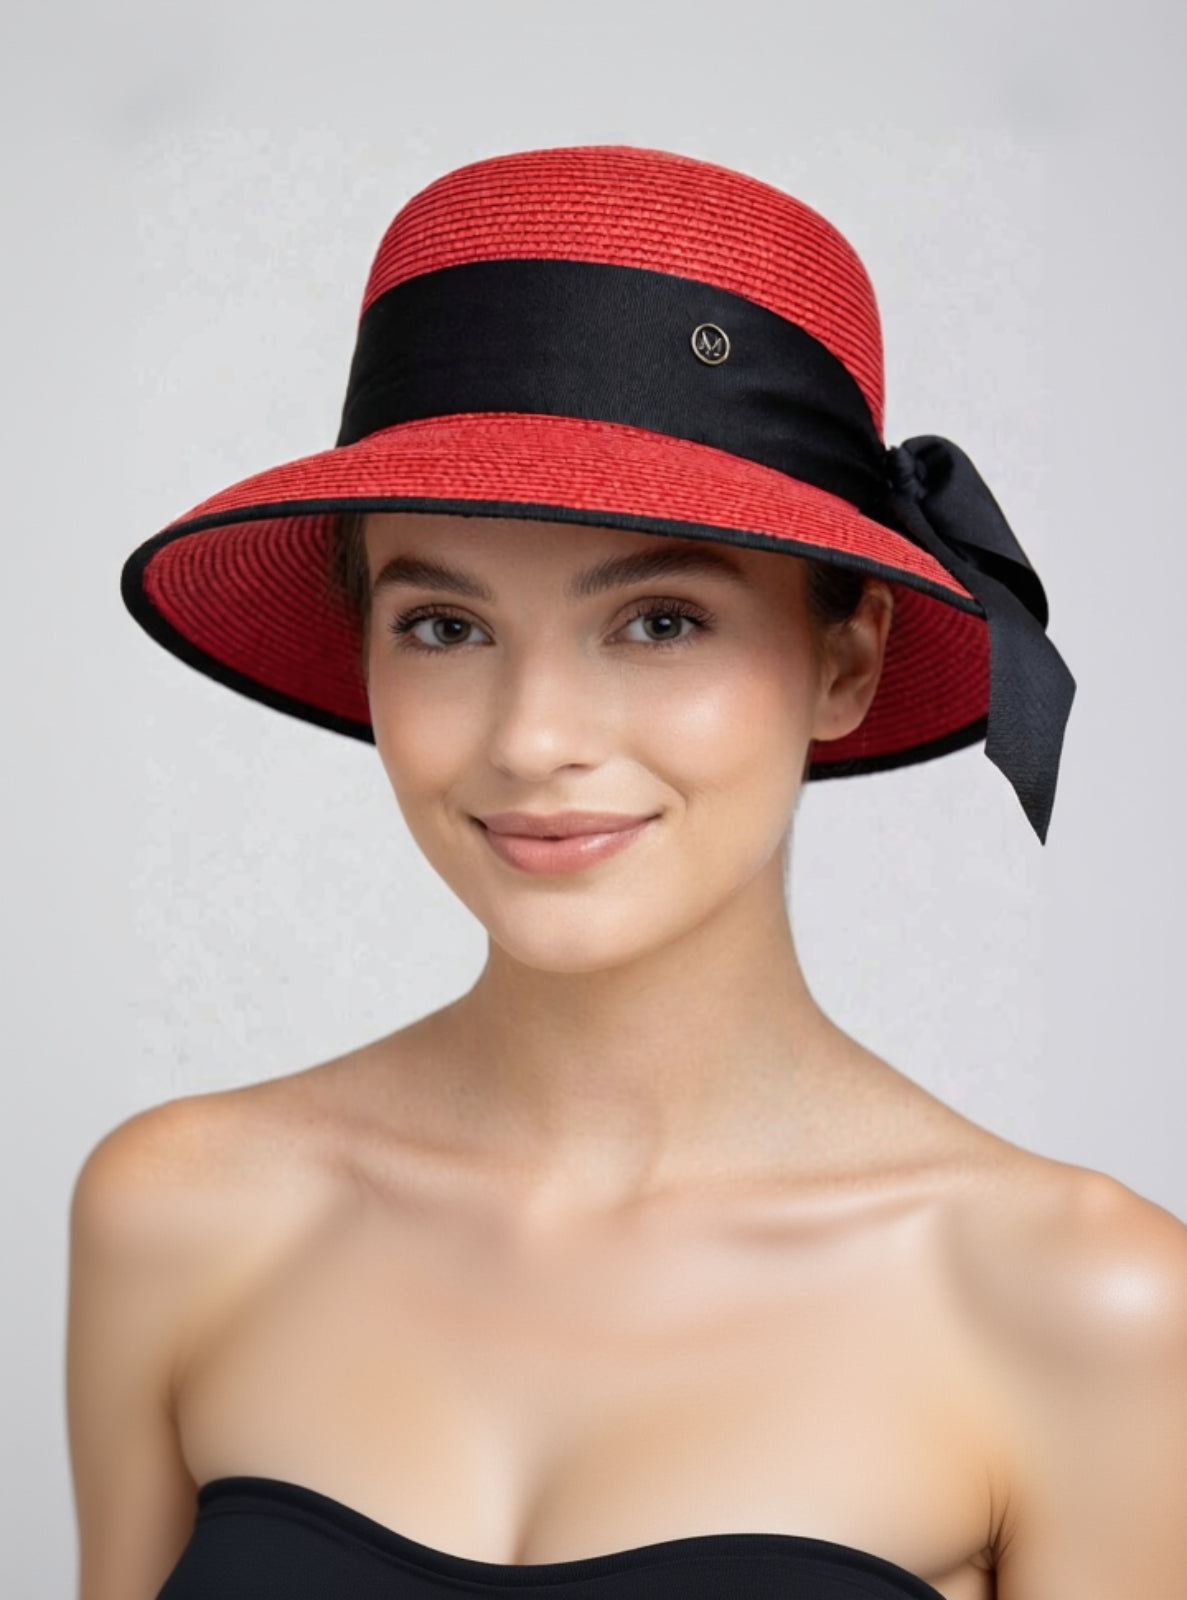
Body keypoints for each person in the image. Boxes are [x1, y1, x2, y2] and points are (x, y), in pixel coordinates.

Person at [68, 145, 1186, 1600]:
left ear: (845, 659)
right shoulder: (180, 1214)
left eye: (660, 620)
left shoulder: (1080, 1304)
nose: (534, 739)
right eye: (445, 626)